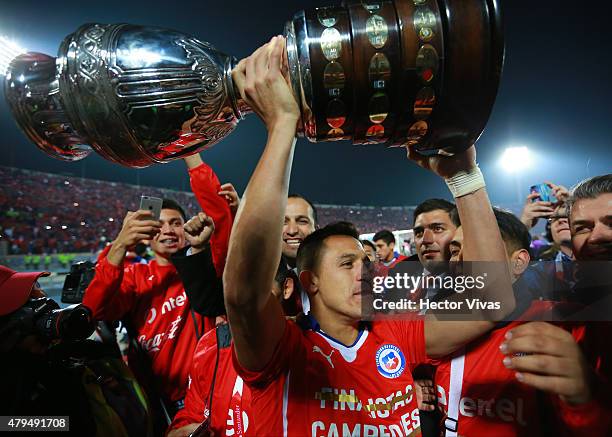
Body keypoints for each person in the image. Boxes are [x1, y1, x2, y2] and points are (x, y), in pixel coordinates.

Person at [224, 35, 514, 435]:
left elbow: (492, 299)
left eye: (368, 261)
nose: (366, 272)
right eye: (347, 263)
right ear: (311, 282)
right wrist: (282, 128)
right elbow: (243, 293)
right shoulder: (285, 349)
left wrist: (465, 179)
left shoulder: (396, 334)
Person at [84, 154, 234, 423]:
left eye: (176, 223)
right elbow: (94, 309)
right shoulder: (133, 275)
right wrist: (120, 245)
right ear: (146, 234)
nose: (168, 230)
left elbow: (220, 219)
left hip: (212, 390)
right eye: (159, 224)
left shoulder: (200, 265)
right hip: (158, 402)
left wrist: (192, 155)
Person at [438, 209, 606, 436]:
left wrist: (584, 400)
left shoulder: (570, 325)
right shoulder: (435, 328)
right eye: (455, 251)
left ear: (518, 262)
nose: (461, 261)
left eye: (480, 250)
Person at [0, 265, 153, 436]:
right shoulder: (14, 387)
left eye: (36, 287)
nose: (42, 298)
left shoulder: (74, 353)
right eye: (26, 299)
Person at [167, 260, 298, 437]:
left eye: (260, 292)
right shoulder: (211, 346)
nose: (248, 305)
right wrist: (179, 432)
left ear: (286, 289)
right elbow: (191, 416)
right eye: (238, 293)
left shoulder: (307, 348)